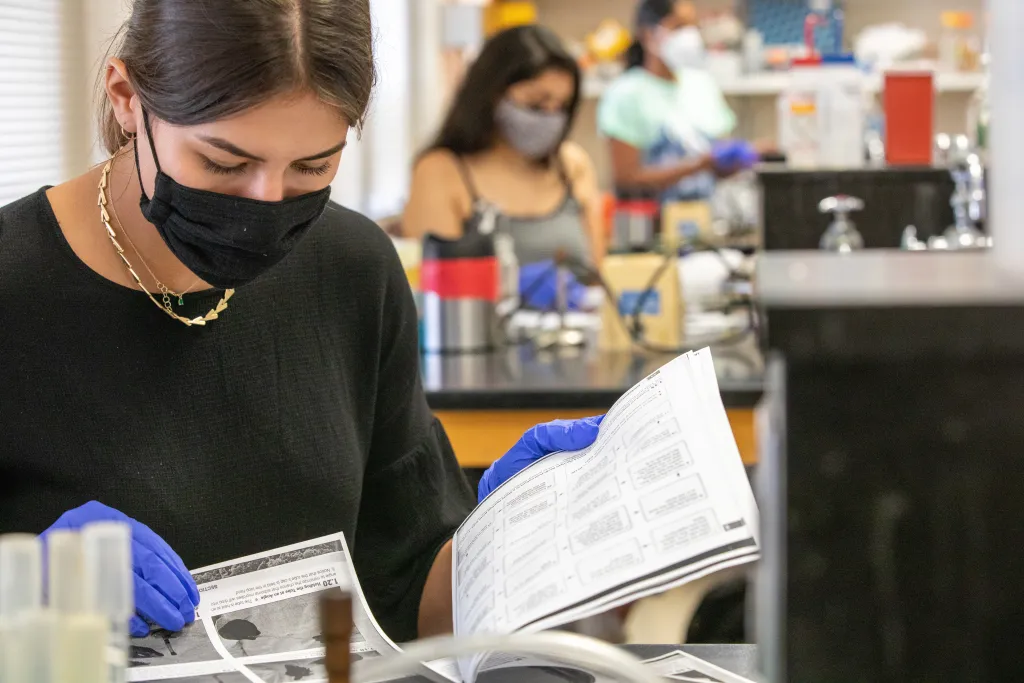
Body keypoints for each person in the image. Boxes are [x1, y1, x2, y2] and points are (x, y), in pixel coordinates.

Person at [0, 0, 602, 642]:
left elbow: (409, 600)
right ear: (127, 99)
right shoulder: (16, 287)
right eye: (223, 164)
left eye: (313, 167)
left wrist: (507, 536)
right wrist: (20, 580)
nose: (264, 204)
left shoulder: (353, 270)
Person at [402, 25, 605, 303]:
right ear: (492, 92)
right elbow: (435, 294)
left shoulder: (572, 165)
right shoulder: (441, 171)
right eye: (536, 103)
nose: (550, 117)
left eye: (561, 106)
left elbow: (597, 274)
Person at [599, 0, 758, 203]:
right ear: (648, 33)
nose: (689, 36)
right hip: (651, 226)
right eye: (679, 26)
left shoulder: (702, 84)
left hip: (708, 219)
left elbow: (718, 164)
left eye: (693, 26)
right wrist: (698, 166)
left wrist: (745, 155)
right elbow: (626, 179)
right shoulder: (626, 94)